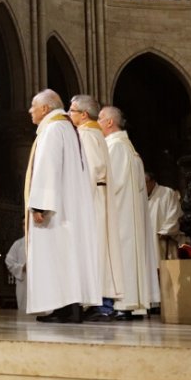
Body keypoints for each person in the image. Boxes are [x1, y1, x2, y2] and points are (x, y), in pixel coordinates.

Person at [23, 89, 101, 323]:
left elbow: (48, 167)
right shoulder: (68, 129)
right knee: (67, 257)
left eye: (33, 105)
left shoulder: (54, 129)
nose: (30, 110)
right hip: (67, 206)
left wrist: (40, 205)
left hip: (55, 210)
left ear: (45, 108)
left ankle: (62, 307)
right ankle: (69, 307)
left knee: (57, 255)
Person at [68, 95, 124, 322]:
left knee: (96, 251)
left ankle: (101, 305)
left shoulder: (87, 135)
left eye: (72, 110)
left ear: (83, 115)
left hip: (92, 201)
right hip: (96, 199)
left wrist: (78, 202)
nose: (68, 114)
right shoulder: (93, 133)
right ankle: (97, 303)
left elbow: (92, 169)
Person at [100, 106, 154, 317]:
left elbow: (108, 183)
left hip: (119, 216)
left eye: (101, 119)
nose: (99, 123)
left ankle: (119, 305)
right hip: (127, 216)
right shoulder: (130, 149)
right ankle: (128, 306)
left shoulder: (115, 147)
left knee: (119, 258)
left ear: (110, 122)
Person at [146, 171, 187, 262]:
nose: (143, 186)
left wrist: (165, 231)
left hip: (163, 238)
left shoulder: (167, 193)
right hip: (147, 239)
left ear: (152, 181)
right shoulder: (141, 197)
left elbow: (174, 213)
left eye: (145, 183)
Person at [4, 235, 27, 312]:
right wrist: (22, 267)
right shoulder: (18, 244)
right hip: (24, 282)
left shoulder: (43, 242)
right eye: (23, 224)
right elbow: (9, 261)